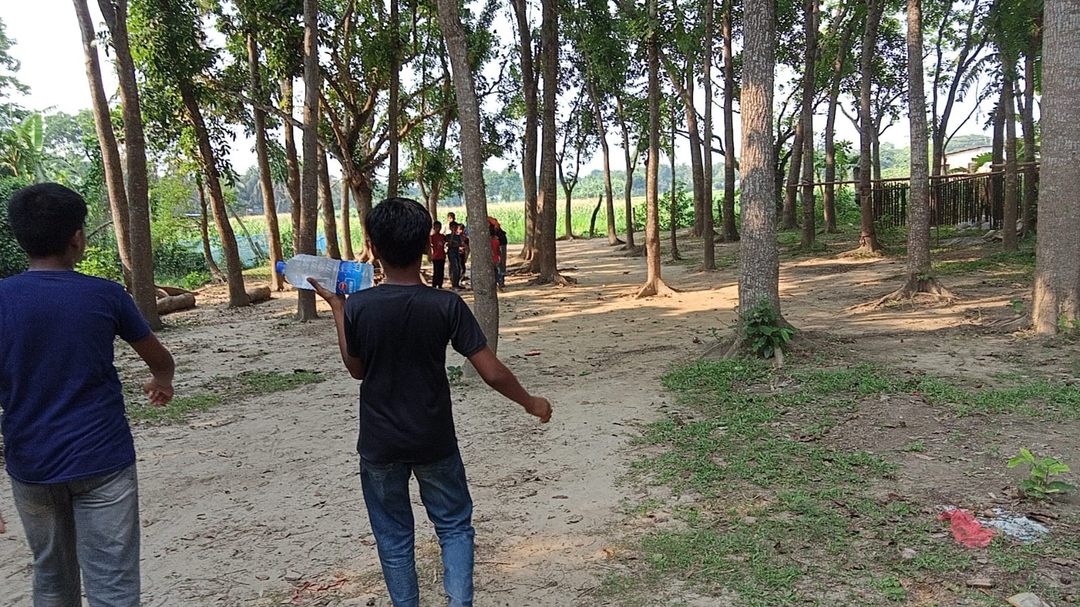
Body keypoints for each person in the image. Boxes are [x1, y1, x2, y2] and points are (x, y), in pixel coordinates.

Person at [307, 197, 552, 607]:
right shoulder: (446, 305)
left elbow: (357, 369)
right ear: (426, 245)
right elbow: (491, 371)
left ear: (373, 247)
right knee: (454, 526)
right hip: (434, 439)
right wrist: (530, 402)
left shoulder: (360, 306)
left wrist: (338, 309)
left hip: (380, 443)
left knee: (393, 537)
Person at [0, 183, 176, 606]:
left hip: (31, 466)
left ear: (20, 238)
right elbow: (159, 358)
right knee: (113, 586)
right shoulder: (105, 294)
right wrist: (162, 380)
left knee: (51, 579)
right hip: (103, 460)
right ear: (77, 237)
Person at [446, 223, 464, 290]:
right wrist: (452, 236)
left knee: (459, 267)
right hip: (451, 252)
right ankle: (454, 283)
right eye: (453, 227)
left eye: (455, 227)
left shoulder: (458, 236)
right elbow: (449, 244)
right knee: (454, 267)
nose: (454, 229)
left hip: (457, 252)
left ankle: (457, 283)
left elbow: (460, 244)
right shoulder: (448, 236)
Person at [430, 220, 447, 289]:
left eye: (439, 227)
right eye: (436, 227)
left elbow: (446, 243)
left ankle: (440, 284)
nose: (438, 229)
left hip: (442, 256)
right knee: (436, 271)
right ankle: (434, 284)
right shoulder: (432, 237)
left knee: (441, 271)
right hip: (435, 256)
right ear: (434, 228)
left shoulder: (442, 236)